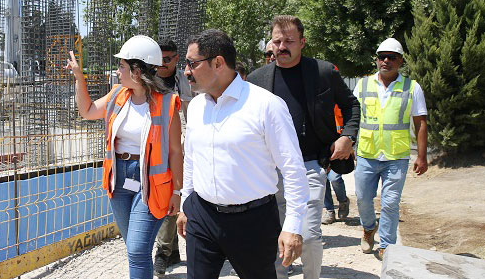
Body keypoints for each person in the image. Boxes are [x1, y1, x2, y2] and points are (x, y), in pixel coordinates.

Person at [176, 29, 309, 279]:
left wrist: (292, 226)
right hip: (202, 216)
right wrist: (186, 204)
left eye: (192, 63)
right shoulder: (195, 107)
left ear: (218, 63)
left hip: (254, 222)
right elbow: (192, 158)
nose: (186, 71)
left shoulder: (266, 105)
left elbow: (293, 169)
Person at [247, 15, 360, 279]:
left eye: (289, 41)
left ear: (302, 43)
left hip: (310, 165)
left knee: (307, 235)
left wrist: (348, 136)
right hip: (269, 170)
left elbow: (351, 105)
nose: (281, 46)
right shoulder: (256, 80)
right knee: (275, 235)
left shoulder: (323, 72)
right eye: (277, 41)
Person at [66, 35, 184, 279]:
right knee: (133, 249)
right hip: (119, 179)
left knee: (138, 249)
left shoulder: (168, 103)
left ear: (137, 70)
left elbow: (175, 151)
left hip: (151, 182)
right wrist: (79, 77)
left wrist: (177, 191)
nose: (118, 71)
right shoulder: (117, 95)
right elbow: (87, 111)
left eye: (122, 66)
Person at [354, 38, 428, 260]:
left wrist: (422, 156)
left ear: (401, 61)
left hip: (397, 156)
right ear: (376, 60)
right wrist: (346, 141)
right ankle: (368, 228)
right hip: (367, 153)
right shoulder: (363, 84)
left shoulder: (412, 88)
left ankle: (387, 244)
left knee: (390, 203)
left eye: (391, 57)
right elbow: (353, 116)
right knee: (363, 199)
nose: (386, 61)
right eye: (381, 57)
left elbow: (421, 122)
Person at [153, 39, 193, 277]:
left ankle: (163, 251)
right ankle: (170, 250)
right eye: (158, 60)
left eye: (167, 59)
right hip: (156, 150)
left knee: (173, 197)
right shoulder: (149, 80)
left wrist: (188, 146)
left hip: (180, 149)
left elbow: (190, 115)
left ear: (177, 59)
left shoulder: (185, 81)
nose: (162, 64)